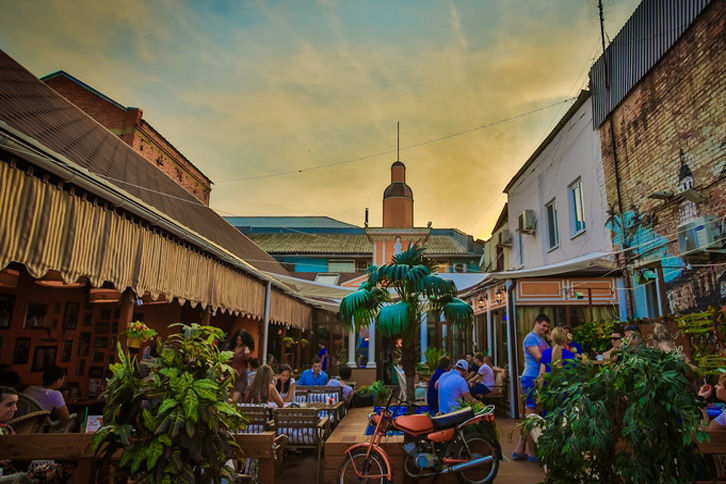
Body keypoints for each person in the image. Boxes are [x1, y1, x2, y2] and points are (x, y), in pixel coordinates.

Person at [0, 386, 72, 483]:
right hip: (10, 478)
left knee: (67, 467)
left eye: (16, 404)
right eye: (9, 405)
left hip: (21, 473)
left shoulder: (6, 428)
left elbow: (21, 455)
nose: (15, 409)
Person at [513, 313, 550, 462]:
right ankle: (531, 451)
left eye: (547, 327)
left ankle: (520, 448)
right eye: (544, 326)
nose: (545, 329)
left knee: (532, 414)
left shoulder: (542, 339)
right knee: (531, 414)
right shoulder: (530, 338)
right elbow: (539, 357)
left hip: (539, 378)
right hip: (531, 378)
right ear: (537, 323)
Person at [225, 329, 255, 403]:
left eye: (240, 340)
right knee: (226, 398)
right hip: (229, 373)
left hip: (240, 375)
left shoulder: (246, 349)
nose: (238, 342)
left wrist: (246, 351)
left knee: (234, 400)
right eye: (237, 339)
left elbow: (247, 360)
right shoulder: (230, 347)